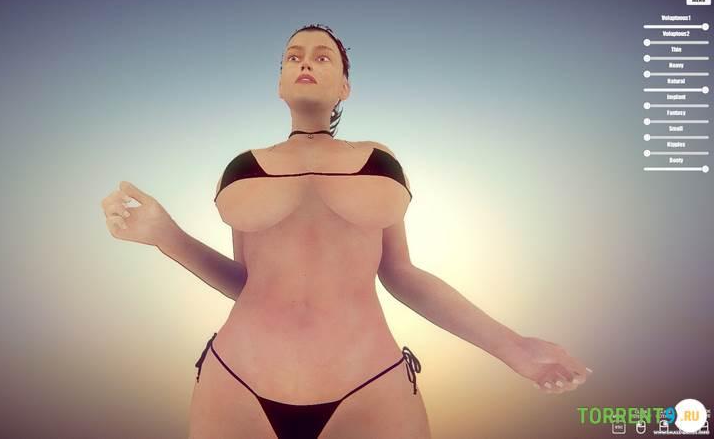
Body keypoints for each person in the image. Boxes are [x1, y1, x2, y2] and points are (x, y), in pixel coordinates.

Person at [100, 23, 592, 439]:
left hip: (371, 387)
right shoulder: (243, 166)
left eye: (323, 57)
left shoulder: (377, 159)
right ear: (279, 84)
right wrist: (166, 236)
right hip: (235, 384)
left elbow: (401, 273)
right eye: (293, 57)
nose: (305, 62)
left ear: (345, 88)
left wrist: (513, 347)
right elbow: (250, 283)